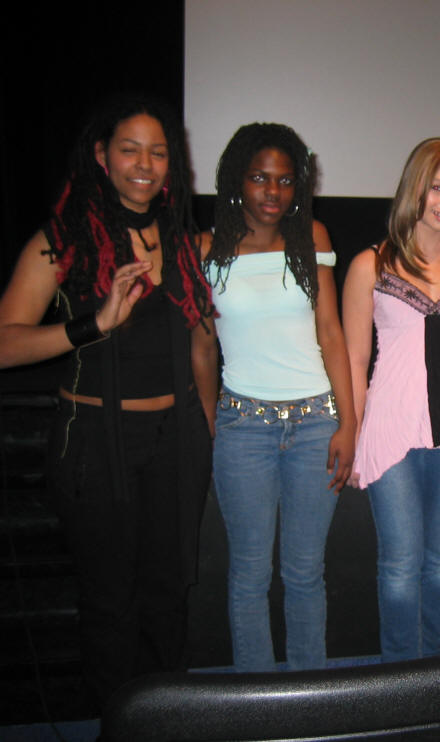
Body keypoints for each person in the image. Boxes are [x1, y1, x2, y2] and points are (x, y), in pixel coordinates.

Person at [0, 96, 214, 708]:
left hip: (175, 443)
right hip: (95, 445)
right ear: (101, 155)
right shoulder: (62, 242)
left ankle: (166, 721)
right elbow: (5, 342)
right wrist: (93, 323)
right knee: (110, 605)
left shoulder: (182, 239)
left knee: (168, 599)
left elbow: (202, 343)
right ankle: (119, 725)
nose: (144, 164)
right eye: (129, 148)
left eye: (158, 152)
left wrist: (206, 429)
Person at [198, 123, 356, 672]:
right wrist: (215, 425)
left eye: (286, 180)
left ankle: (306, 701)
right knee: (247, 575)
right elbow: (202, 349)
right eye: (261, 178)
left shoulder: (311, 236)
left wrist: (349, 424)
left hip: (316, 423)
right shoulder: (207, 249)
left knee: (305, 572)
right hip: (244, 424)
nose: (273, 191)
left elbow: (331, 332)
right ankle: (257, 706)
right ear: (237, 180)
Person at [342, 138, 440, 662]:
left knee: (439, 563)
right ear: (415, 188)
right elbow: (355, 362)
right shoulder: (371, 264)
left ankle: (429, 680)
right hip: (391, 432)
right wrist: (358, 437)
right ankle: (402, 684)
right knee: (400, 568)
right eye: (436, 187)